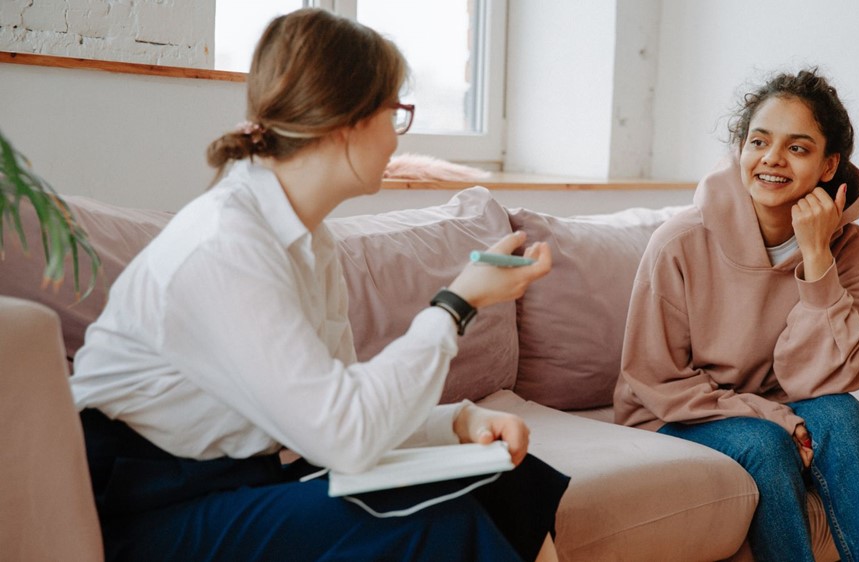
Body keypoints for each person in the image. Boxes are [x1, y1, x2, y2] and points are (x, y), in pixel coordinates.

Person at [71, 8, 568, 561]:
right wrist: (456, 303)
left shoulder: (310, 241)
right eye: (394, 112)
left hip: (236, 482)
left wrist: (458, 420)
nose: (397, 138)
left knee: (507, 479)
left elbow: (342, 403)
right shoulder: (225, 246)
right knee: (433, 521)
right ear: (346, 121)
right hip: (147, 508)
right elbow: (345, 437)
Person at [614, 69, 859, 562]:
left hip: (782, 405)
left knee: (845, 417)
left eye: (798, 148)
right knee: (766, 445)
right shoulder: (680, 242)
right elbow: (655, 378)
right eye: (759, 141)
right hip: (673, 414)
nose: (771, 159)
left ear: (830, 165)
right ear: (740, 149)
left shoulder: (850, 249)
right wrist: (773, 416)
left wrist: (816, 261)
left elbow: (843, 376)